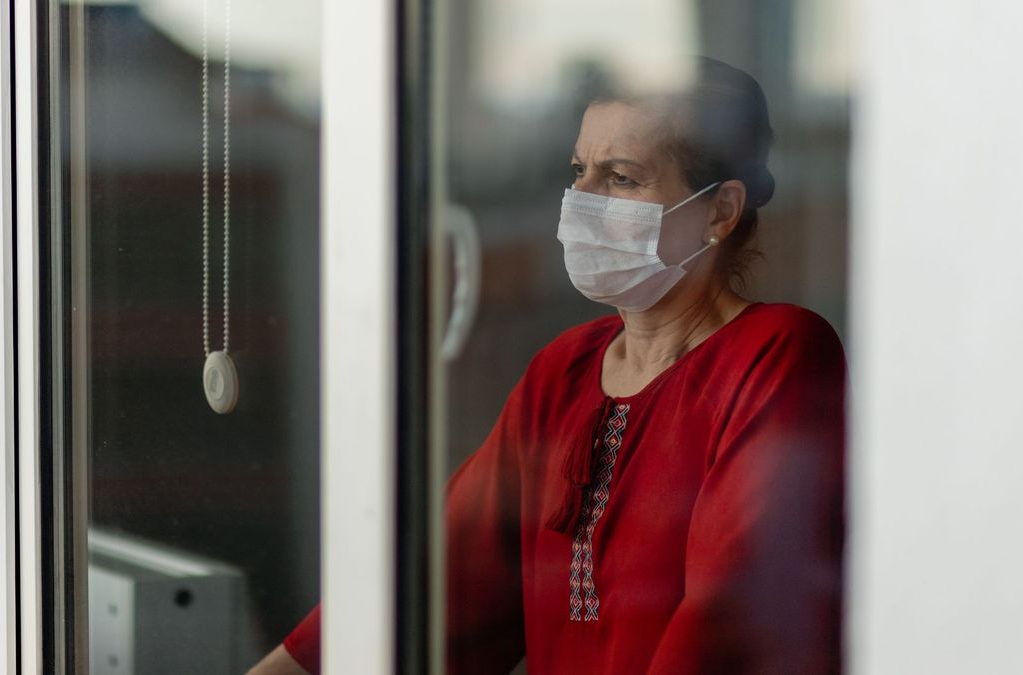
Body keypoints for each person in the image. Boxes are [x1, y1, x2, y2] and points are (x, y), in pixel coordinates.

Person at [250, 56, 845, 675]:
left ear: (720, 211)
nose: (579, 199)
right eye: (578, 170)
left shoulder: (778, 353)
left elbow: (727, 626)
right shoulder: (563, 371)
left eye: (620, 178)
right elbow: (438, 585)